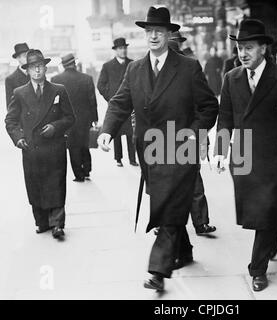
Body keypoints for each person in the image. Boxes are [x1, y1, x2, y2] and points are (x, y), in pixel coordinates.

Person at [97, 6, 218, 292]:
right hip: (150, 154)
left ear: (168, 34)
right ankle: (185, 250)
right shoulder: (135, 69)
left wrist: (194, 134)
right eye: (149, 31)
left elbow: (209, 106)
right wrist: (107, 132)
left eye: (159, 32)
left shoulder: (188, 67)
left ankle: (157, 270)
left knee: (166, 209)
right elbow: (119, 103)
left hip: (180, 152)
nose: (153, 36)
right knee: (170, 205)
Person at [214, 19, 277, 292]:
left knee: (267, 209)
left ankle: (257, 269)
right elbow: (224, 119)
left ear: (263, 48)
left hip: (275, 156)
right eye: (239, 48)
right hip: (245, 156)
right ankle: (272, 238)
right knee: (264, 213)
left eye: (248, 47)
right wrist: (220, 152)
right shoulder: (232, 78)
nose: (243, 53)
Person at [5, 49, 75, 239]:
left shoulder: (58, 90)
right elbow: (10, 121)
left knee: (56, 184)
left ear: (45, 67)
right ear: (27, 70)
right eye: (33, 67)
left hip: (54, 147)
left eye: (40, 66)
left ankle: (58, 224)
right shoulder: (19, 93)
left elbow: (70, 118)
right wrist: (18, 138)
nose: (37, 70)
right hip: (31, 148)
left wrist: (55, 126)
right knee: (35, 186)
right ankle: (42, 222)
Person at [166, 32, 217, 236]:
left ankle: (200, 222)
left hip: (186, 137)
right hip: (160, 139)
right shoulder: (149, 73)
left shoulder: (190, 69)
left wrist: (196, 133)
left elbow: (205, 105)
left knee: (193, 182)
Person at [52, 53, 98, 182]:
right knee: (84, 144)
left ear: (63, 65)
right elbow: (92, 101)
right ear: (75, 63)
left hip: (67, 120)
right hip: (85, 118)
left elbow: (55, 103)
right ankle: (87, 170)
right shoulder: (87, 78)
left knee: (73, 147)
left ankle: (79, 175)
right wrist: (94, 118)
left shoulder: (56, 79)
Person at [97, 37, 138, 167]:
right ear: (116, 50)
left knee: (131, 132)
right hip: (117, 105)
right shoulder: (107, 66)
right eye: (120, 48)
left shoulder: (133, 64)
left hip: (131, 105)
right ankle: (118, 158)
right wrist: (111, 98)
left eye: (125, 48)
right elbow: (100, 85)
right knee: (117, 132)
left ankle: (132, 158)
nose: (123, 50)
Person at [5, 43, 30, 109]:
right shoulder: (10, 79)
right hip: (23, 118)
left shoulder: (37, 74)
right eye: (25, 56)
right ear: (18, 58)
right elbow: (10, 106)